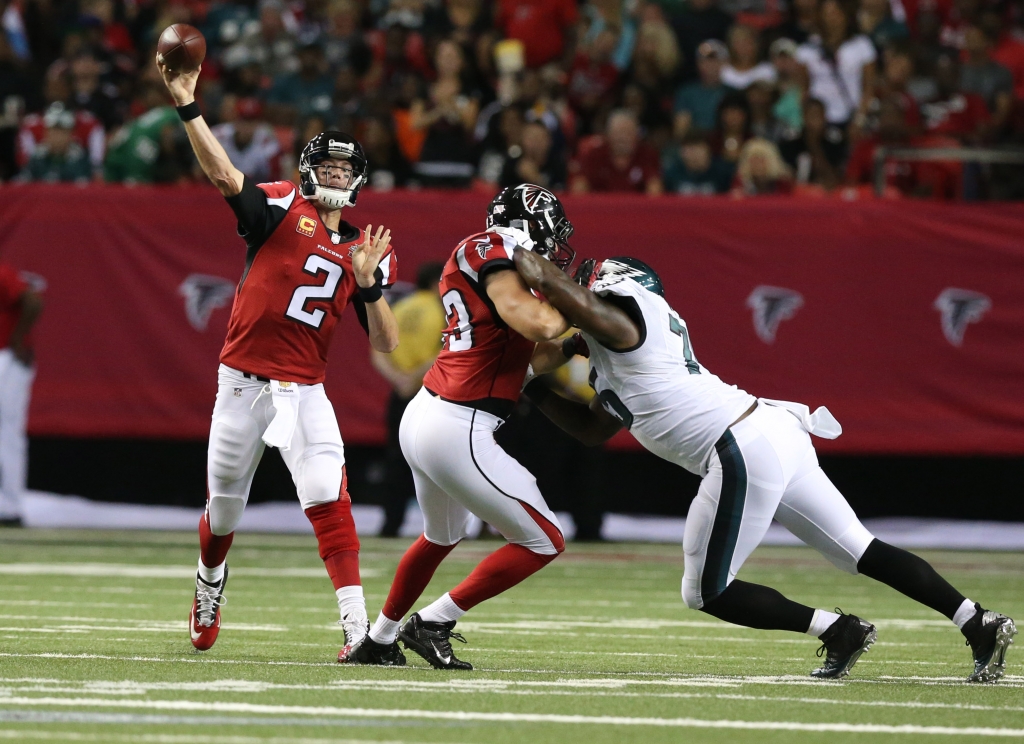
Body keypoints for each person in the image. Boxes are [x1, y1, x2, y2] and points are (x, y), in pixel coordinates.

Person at [512, 248, 1018, 684]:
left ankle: (838, 630)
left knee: (706, 591)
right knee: (858, 549)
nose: (579, 283)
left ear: (614, 284)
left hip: (741, 445)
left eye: (588, 277)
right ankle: (978, 622)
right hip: (770, 432)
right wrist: (532, 386)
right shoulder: (622, 344)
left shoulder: (626, 317)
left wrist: (514, 252)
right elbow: (592, 429)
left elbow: (568, 297)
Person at [157, 55, 400, 662]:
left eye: (348, 167)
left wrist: (368, 285)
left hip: (304, 391)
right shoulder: (278, 208)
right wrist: (188, 105)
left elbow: (387, 343)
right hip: (241, 385)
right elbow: (221, 175)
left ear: (360, 178)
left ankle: (356, 629)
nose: (338, 174)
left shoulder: (366, 247)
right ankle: (209, 581)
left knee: (326, 493)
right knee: (225, 507)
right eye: (330, 165)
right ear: (308, 169)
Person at [355, 183, 577, 670]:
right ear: (530, 225)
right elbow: (536, 323)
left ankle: (379, 638)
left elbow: (528, 357)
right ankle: (433, 621)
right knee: (544, 539)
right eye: (551, 228)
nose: (556, 241)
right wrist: (581, 304)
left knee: (441, 535)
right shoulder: (494, 252)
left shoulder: (488, 257)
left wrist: (575, 344)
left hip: (429, 415)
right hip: (458, 424)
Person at [372, 261, 447, 537]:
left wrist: (399, 379)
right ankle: (441, 528)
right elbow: (447, 351)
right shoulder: (444, 309)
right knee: (440, 463)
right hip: (433, 394)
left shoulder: (400, 308)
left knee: (396, 461)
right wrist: (415, 377)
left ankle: (391, 525)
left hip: (400, 394)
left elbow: (377, 350)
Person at [0, 266, 43, 528]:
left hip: (5, 356)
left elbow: (33, 300)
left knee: (7, 432)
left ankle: (9, 507)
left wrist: (17, 339)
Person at [571, 109, 662, 194]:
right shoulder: (595, 155)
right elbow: (579, 187)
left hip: (637, 209)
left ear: (636, 135)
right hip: (601, 209)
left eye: (626, 133)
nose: (622, 138)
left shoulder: (648, 155)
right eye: (617, 133)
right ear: (608, 135)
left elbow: (655, 190)